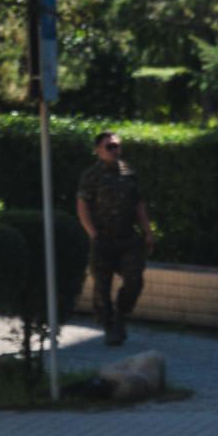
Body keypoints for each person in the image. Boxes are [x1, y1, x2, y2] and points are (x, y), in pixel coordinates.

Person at [76, 131, 155, 345]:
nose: (115, 150)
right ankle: (109, 325)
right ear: (98, 150)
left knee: (134, 281)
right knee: (102, 286)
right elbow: (82, 207)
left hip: (128, 238)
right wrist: (93, 234)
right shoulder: (91, 175)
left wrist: (147, 231)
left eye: (117, 146)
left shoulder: (129, 173)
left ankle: (122, 314)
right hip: (103, 239)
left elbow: (139, 204)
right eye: (110, 146)